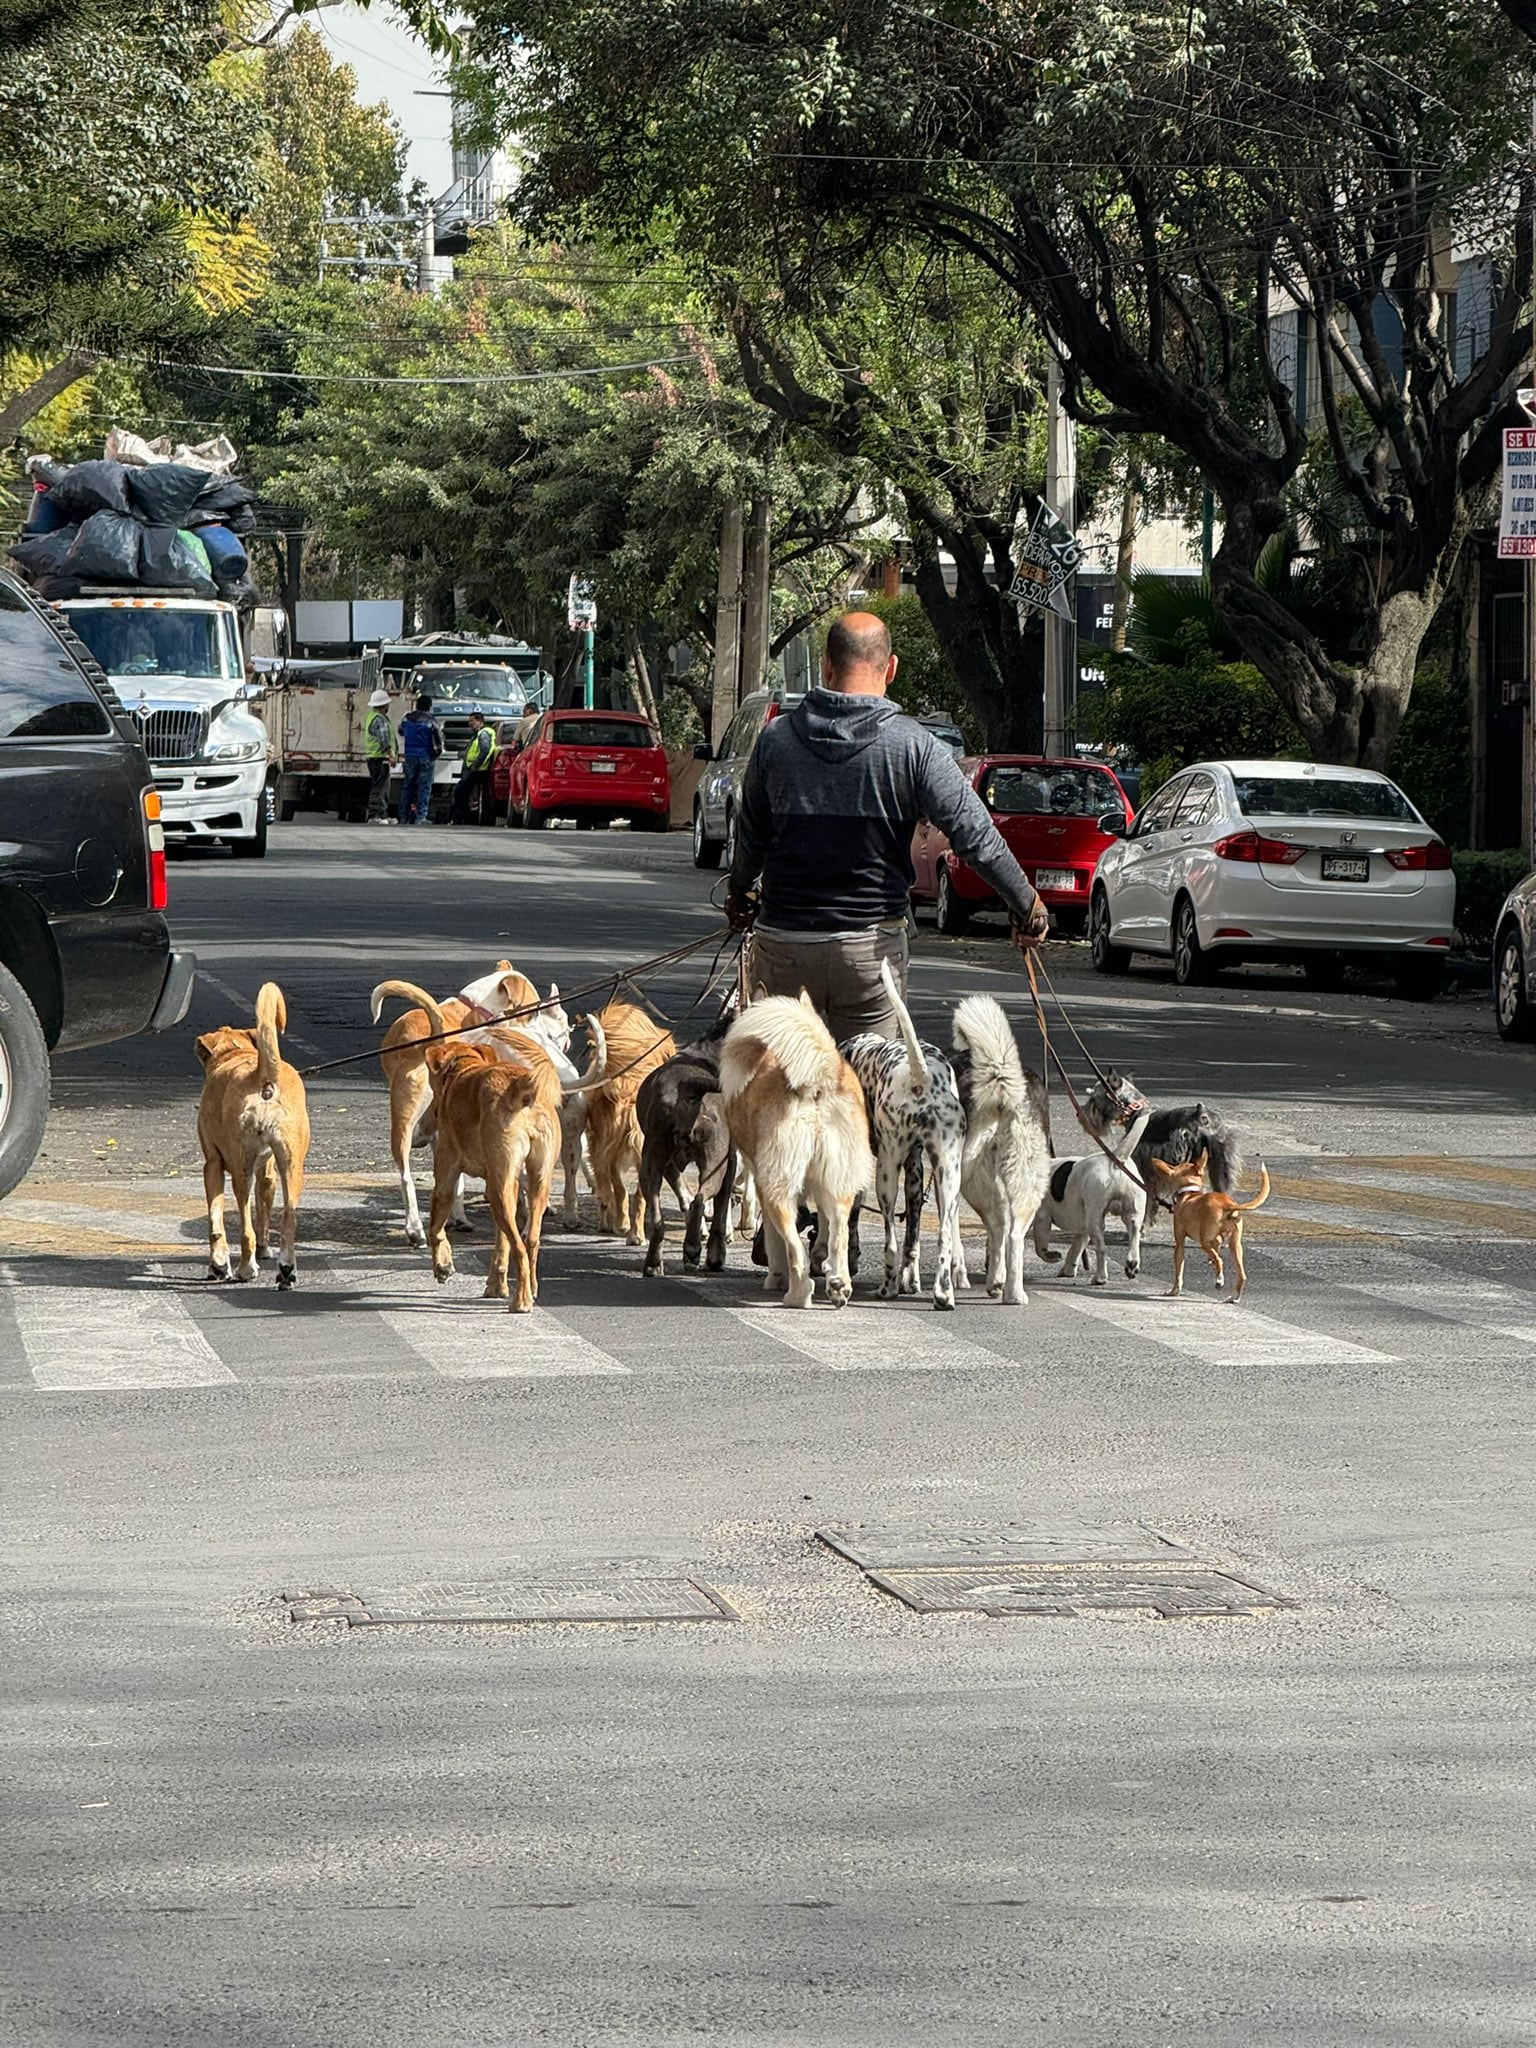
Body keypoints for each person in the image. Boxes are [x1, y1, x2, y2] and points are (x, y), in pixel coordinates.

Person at [726, 611, 1049, 1039]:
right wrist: (1027, 905)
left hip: (785, 946)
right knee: (871, 1076)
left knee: (780, 1076)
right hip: (870, 954)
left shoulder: (775, 741)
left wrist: (740, 891)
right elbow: (976, 836)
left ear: (827, 665)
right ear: (891, 668)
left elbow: (751, 836)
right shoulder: (915, 747)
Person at [397, 693, 442, 826]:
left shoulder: (407, 718)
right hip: (426, 757)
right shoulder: (432, 721)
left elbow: (400, 731)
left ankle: (403, 816)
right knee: (424, 787)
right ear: (429, 706)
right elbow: (438, 742)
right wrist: (436, 754)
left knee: (407, 786)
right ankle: (420, 817)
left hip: (410, 756)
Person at [451, 709, 497, 826]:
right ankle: (462, 818)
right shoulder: (479, 734)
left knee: (459, 791)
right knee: (465, 793)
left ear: (479, 721)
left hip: (478, 770)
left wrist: (475, 765)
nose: (469, 723)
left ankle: (458, 818)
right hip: (476, 769)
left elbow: (485, 750)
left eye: (472, 721)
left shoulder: (484, 733)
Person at [363, 689, 396, 824]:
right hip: (379, 757)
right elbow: (384, 741)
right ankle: (374, 815)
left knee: (383, 787)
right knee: (379, 787)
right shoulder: (379, 720)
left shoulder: (373, 716)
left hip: (375, 757)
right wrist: (391, 755)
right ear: (383, 705)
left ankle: (382, 815)